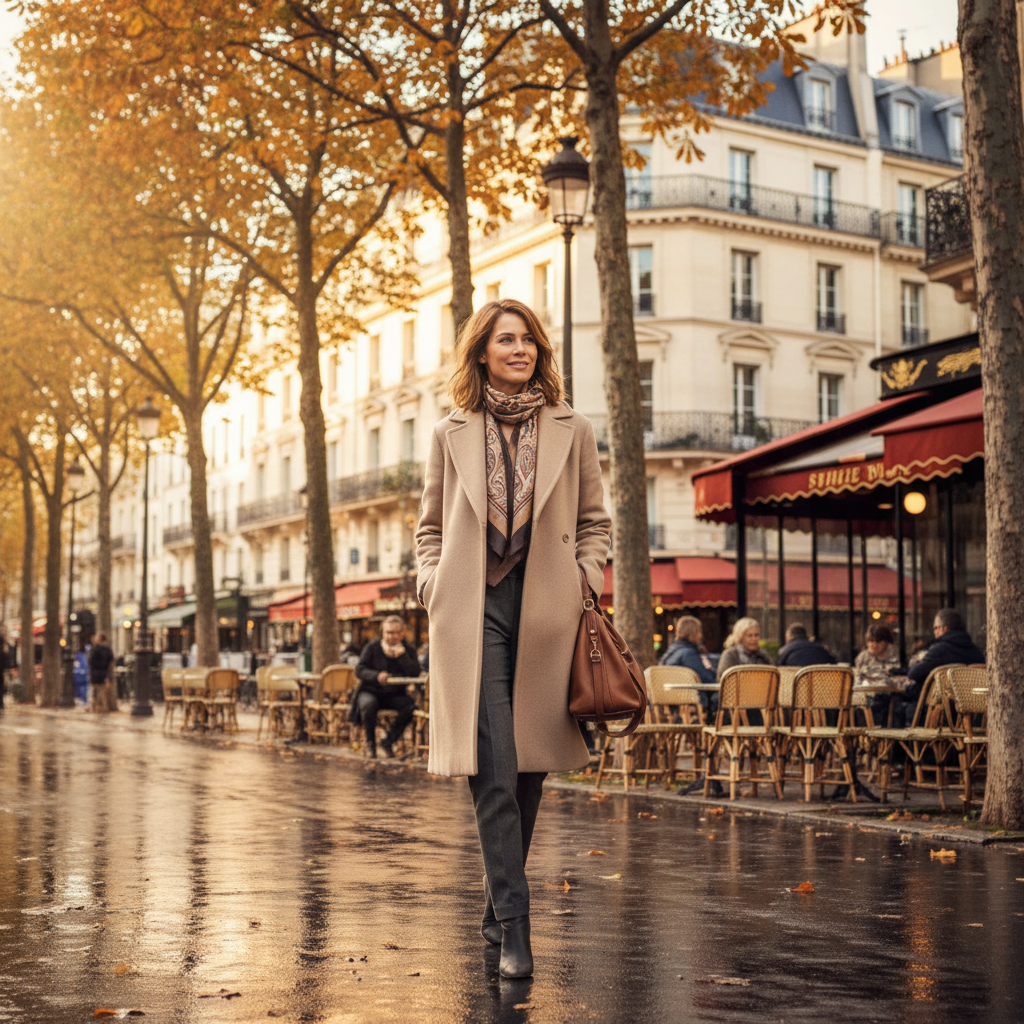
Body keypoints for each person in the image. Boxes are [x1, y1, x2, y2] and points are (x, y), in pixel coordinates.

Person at [415, 298, 611, 980]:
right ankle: (518, 930)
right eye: (507, 339)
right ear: (482, 352)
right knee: (494, 767)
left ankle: (496, 909)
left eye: (529, 340)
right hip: (474, 611)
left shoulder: (572, 428)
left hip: (548, 611)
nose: (521, 349)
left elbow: (595, 521)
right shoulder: (451, 432)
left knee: (528, 770)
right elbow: (429, 529)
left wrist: (584, 579)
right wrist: (431, 584)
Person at [351, 616, 420, 759]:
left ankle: (388, 741)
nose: (391, 636)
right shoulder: (373, 646)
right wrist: (377, 676)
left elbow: (415, 672)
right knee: (368, 705)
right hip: (371, 691)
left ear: (402, 633)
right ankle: (371, 745)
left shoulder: (407, 649)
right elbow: (359, 669)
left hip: (394, 693)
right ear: (383, 633)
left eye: (395, 633)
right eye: (388, 632)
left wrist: (402, 657)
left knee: (411, 707)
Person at [903, 608, 985, 707]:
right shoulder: (975, 651)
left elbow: (914, 673)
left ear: (944, 628)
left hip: (942, 710)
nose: (935, 632)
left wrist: (919, 661)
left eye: (936, 628)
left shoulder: (939, 649)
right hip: (972, 709)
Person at [660, 616, 718, 716]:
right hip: (691, 704)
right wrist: (714, 674)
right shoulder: (689, 654)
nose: (701, 635)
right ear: (695, 633)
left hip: (670, 704)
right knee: (723, 700)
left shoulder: (670, 652)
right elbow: (706, 679)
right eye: (700, 631)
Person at [88, 633, 115, 713]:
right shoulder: (108, 649)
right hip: (104, 672)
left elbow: (91, 661)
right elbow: (111, 660)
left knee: (95, 692)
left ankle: (94, 707)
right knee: (104, 693)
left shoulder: (95, 649)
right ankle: (105, 707)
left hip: (95, 672)